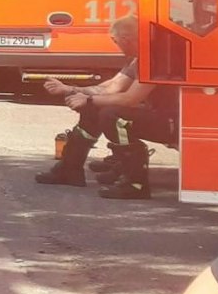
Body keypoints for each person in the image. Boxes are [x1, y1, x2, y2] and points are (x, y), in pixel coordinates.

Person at [33, 15, 177, 198]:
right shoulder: (140, 59)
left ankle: (135, 184)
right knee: (94, 109)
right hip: (159, 116)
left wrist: (89, 100)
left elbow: (130, 99)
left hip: (172, 122)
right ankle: (70, 169)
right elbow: (111, 87)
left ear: (126, 39)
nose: (117, 46)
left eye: (116, 42)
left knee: (113, 116)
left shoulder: (155, 60)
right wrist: (69, 89)